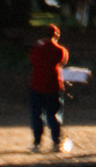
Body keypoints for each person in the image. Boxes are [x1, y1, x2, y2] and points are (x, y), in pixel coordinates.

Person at [28, 20, 69, 152]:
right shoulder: (60, 50)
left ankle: (37, 143)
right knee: (53, 115)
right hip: (52, 85)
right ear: (56, 35)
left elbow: (32, 61)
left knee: (36, 115)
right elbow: (63, 61)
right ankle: (56, 142)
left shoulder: (36, 49)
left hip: (36, 84)